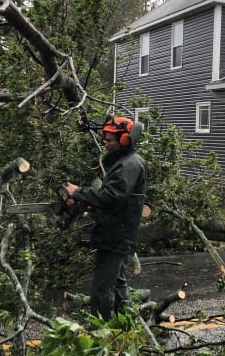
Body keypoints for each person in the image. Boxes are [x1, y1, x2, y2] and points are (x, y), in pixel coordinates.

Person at [64, 115, 146, 320]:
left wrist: (79, 192)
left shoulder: (129, 165)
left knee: (102, 290)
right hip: (115, 232)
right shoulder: (124, 162)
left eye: (110, 140)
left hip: (116, 235)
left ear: (124, 140)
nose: (106, 144)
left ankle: (101, 332)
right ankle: (126, 327)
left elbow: (112, 196)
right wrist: (90, 204)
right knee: (118, 286)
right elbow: (116, 201)